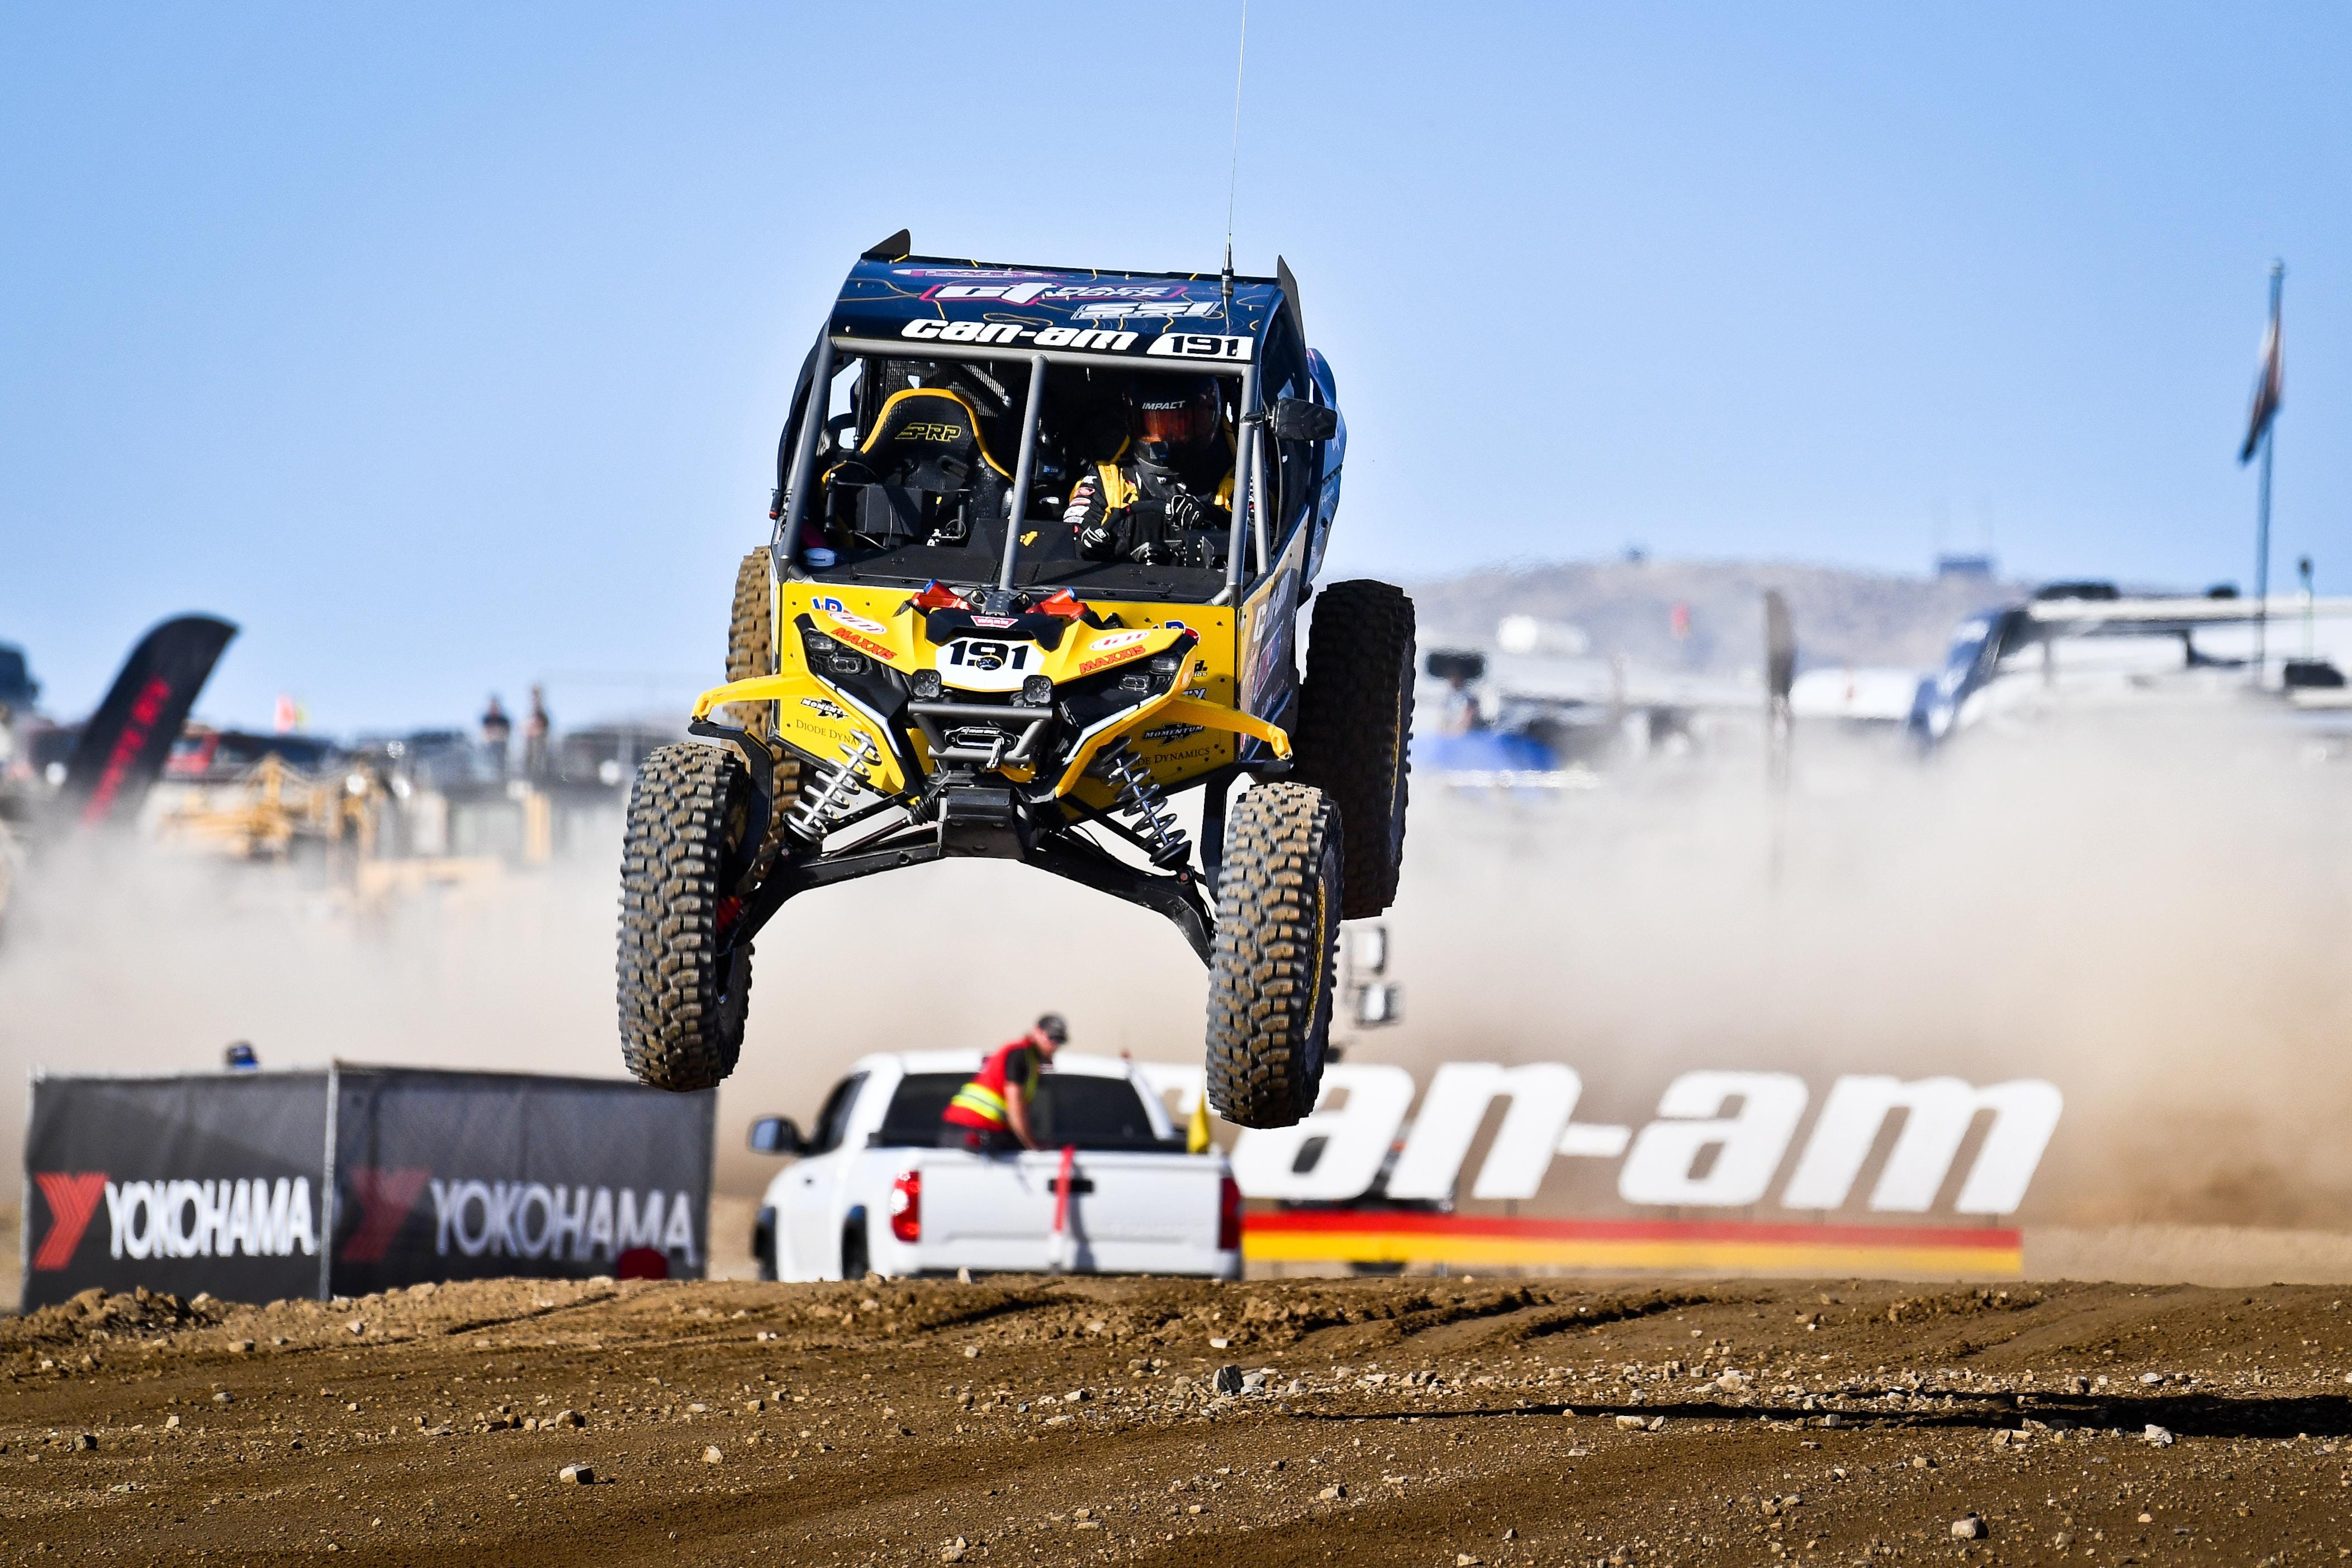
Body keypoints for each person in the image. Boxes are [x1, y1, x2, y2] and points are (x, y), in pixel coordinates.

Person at [1065, 377, 1234, 568]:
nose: (1165, 438)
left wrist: (1212, 519)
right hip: (1120, 593)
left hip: (1215, 594)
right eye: (1154, 426)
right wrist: (1091, 547)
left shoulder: (1239, 480)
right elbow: (1066, 543)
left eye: (1178, 425)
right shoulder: (1107, 481)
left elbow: (1263, 544)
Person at [938, 1014, 1068, 1154]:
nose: (1054, 1045)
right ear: (1036, 1031)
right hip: (969, 1131)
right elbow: (1015, 1108)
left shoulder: (1030, 1061)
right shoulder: (1020, 1054)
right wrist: (1031, 1147)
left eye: (1059, 1041)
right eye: (1051, 1038)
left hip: (973, 1131)